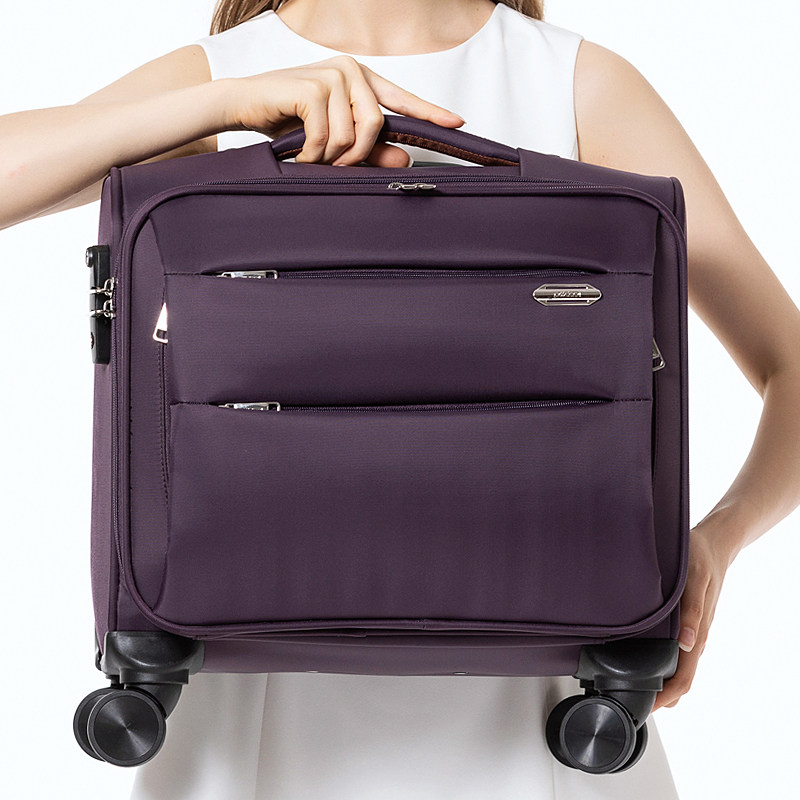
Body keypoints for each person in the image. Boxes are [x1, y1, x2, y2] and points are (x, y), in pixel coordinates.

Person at [2, 1, 799, 798]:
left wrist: (715, 542)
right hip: (237, 723)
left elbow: (788, 365)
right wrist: (224, 106)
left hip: (548, 728)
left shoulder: (574, 82)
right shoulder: (222, 76)